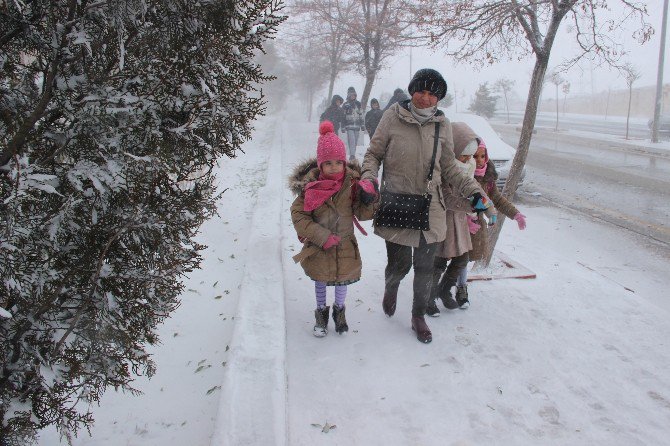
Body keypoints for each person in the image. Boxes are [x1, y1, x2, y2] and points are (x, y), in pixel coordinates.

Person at [359, 68, 491, 344]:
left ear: (439, 99)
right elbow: (373, 154)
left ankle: (417, 315)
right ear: (412, 90)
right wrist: (369, 180)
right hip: (397, 202)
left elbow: (450, 168)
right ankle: (391, 286)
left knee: (425, 267)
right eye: (422, 91)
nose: (426, 98)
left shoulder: (442, 124)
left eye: (433, 94)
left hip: (431, 208)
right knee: (400, 264)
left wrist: (476, 194)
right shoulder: (392, 117)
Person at [290, 120, 378, 337]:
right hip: (320, 246)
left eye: (338, 162)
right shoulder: (310, 188)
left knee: (342, 280)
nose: (333, 167)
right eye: (327, 163)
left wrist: (370, 198)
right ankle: (321, 312)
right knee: (320, 279)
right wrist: (321, 235)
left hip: (345, 243)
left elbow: (364, 214)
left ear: (344, 162)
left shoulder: (351, 184)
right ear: (320, 166)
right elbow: (299, 215)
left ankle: (339, 311)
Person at [461, 138, 528, 306]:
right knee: (447, 258)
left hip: (476, 227)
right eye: (475, 156)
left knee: (462, 259)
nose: (479, 160)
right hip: (457, 224)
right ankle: (435, 287)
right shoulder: (461, 174)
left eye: (483, 156)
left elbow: (497, 199)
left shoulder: (488, 180)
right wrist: (465, 217)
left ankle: (461, 288)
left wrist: (516, 214)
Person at [427, 122, 480, 317]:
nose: (468, 159)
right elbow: (447, 198)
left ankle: (443, 289)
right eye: (464, 154)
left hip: (459, 222)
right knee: (439, 262)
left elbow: (474, 188)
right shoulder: (443, 169)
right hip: (443, 221)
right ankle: (429, 298)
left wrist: (483, 203)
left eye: (471, 155)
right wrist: (470, 205)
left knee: (462, 259)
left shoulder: (467, 168)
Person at [341, 87, 365, 161]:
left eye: (354, 95)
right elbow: (343, 116)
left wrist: (362, 125)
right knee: (352, 140)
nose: (353, 97)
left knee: (355, 141)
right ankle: (352, 155)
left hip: (357, 126)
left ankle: (352, 154)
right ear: (348, 95)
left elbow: (361, 114)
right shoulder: (345, 105)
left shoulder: (358, 104)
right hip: (349, 126)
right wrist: (343, 126)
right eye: (351, 95)